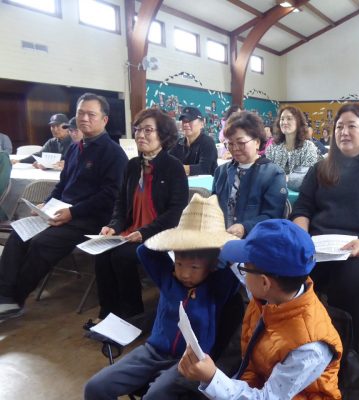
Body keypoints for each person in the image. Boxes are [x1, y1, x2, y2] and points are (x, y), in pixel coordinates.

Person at [84, 194, 240, 399]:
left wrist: (218, 245)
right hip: (152, 352)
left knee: (155, 396)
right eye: (179, 264)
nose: (185, 274)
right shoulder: (168, 279)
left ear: (212, 266)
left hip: (189, 361)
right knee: (95, 387)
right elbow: (145, 251)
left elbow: (235, 266)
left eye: (194, 267)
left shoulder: (217, 288)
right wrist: (177, 238)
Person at [178, 219, 343, 399]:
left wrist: (212, 378)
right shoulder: (278, 293)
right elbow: (248, 279)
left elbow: (267, 397)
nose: (242, 271)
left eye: (244, 267)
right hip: (257, 376)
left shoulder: (309, 348)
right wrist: (221, 246)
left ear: (265, 282)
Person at [0, 93, 128, 321]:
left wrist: (72, 212)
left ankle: (15, 299)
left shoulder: (113, 153)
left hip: (90, 219)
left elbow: (110, 197)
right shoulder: (74, 148)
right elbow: (62, 185)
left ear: (104, 120)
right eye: (80, 113)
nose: (84, 118)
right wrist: (46, 204)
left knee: (41, 243)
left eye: (91, 114)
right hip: (61, 211)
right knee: (19, 233)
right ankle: (4, 295)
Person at [290, 103, 359, 348]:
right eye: (339, 126)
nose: (344, 132)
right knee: (286, 271)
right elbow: (302, 209)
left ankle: (341, 352)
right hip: (320, 247)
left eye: (352, 126)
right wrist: (302, 238)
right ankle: (295, 343)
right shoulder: (320, 169)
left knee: (350, 282)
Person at [91, 108, 189, 323]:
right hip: (130, 232)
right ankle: (108, 314)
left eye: (148, 130)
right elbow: (120, 204)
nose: (140, 135)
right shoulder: (132, 165)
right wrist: (113, 226)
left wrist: (144, 232)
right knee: (102, 253)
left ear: (162, 135)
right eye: (137, 129)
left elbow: (175, 213)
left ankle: (132, 315)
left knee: (121, 256)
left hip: (160, 234)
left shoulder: (173, 167)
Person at [213, 111, 287, 240]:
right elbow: (213, 207)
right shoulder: (221, 172)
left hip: (254, 241)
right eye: (230, 143)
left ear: (257, 142)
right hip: (219, 238)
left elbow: (273, 215)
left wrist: (245, 227)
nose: (235, 148)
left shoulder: (274, 174)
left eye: (241, 143)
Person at [265, 106, 318, 175]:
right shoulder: (272, 148)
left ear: (298, 122)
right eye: (282, 119)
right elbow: (268, 173)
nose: (284, 122)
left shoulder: (308, 147)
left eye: (289, 118)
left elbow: (308, 175)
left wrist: (284, 178)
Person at [170, 106, 218, 176]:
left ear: (202, 124)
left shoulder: (208, 142)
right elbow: (168, 161)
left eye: (190, 120)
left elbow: (204, 169)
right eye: (184, 121)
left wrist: (177, 168)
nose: (186, 124)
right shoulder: (179, 143)